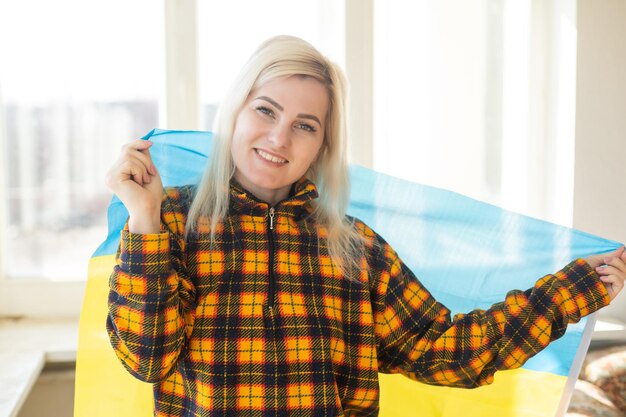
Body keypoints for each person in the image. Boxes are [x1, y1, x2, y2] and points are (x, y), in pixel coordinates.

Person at [105, 35, 626, 417]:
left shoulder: (355, 249)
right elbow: (147, 359)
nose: (279, 138)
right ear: (235, 114)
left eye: (304, 126)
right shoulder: (166, 224)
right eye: (265, 110)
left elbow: (449, 353)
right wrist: (144, 219)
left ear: (322, 147)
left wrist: (573, 291)